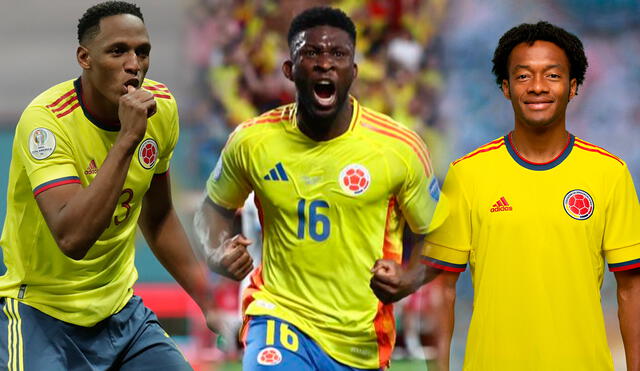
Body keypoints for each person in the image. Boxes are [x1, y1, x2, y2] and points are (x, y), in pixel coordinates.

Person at [194, 6, 446, 370]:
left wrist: (409, 278)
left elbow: (440, 234)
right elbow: (212, 210)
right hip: (279, 318)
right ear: (290, 70)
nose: (325, 63)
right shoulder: (252, 142)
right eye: (311, 53)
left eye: (338, 54)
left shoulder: (399, 148)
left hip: (360, 340)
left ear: (353, 71)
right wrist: (217, 250)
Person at [0, 2, 222, 370]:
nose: (134, 64)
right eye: (118, 51)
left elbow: (159, 216)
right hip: (41, 312)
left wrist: (207, 299)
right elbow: (73, 239)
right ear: (85, 58)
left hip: (120, 314)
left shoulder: (161, 110)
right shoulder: (46, 123)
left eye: (143, 52)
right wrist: (126, 141)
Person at [418, 21, 640, 370]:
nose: (537, 87)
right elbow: (442, 288)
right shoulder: (468, 175)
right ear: (505, 88)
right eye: (523, 76)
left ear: (574, 86)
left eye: (552, 75)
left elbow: (631, 290)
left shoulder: (610, 174)